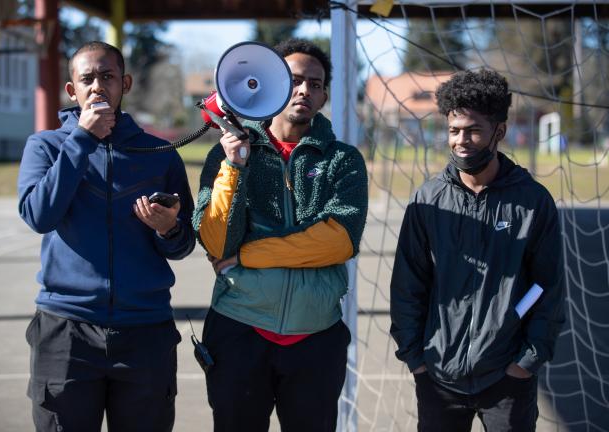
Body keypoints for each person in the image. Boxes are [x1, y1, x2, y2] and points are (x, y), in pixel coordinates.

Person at [17, 41, 195, 432]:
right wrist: (82, 140)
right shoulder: (45, 147)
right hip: (66, 331)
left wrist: (168, 228)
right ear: (72, 90)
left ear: (125, 83)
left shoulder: (159, 152)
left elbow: (184, 243)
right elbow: (38, 215)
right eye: (87, 79)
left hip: (145, 332)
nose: (98, 86)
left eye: (107, 76)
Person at [192, 38, 368, 431]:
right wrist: (234, 167)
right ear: (268, 83)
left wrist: (250, 256)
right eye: (294, 79)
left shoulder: (343, 159)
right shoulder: (227, 153)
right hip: (239, 328)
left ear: (324, 96)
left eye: (316, 83)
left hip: (316, 335)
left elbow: (339, 241)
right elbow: (217, 243)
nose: (305, 89)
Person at [389, 69, 565, 432]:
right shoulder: (428, 201)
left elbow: (544, 286)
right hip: (438, 377)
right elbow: (409, 285)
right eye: (454, 131)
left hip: (507, 381)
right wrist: (418, 362)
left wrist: (523, 363)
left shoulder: (532, 202)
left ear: (498, 132)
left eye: (472, 130)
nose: (461, 141)